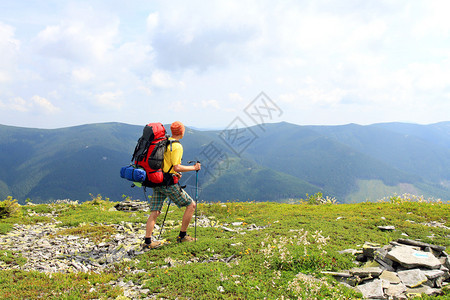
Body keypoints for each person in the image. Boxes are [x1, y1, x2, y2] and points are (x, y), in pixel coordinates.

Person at [143, 121, 201, 250]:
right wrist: (194, 167)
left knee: (155, 211)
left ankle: (148, 241)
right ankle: (182, 236)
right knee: (191, 205)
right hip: (168, 183)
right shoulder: (177, 146)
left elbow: (165, 164)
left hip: (157, 180)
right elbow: (176, 166)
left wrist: (175, 173)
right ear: (182, 132)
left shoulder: (164, 142)